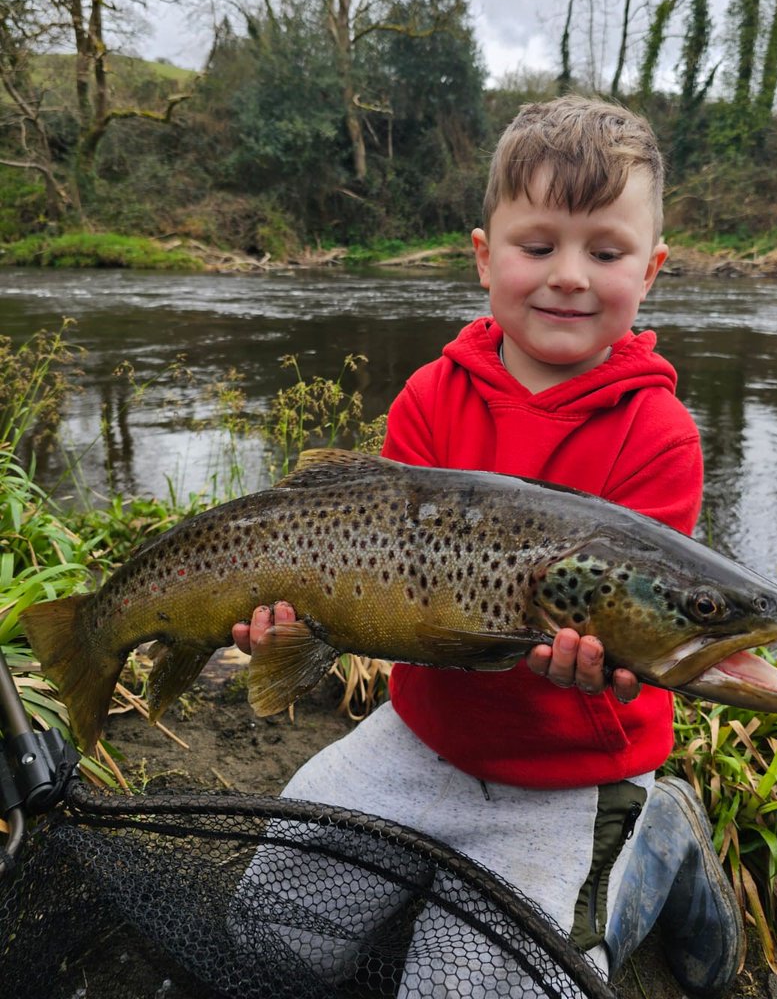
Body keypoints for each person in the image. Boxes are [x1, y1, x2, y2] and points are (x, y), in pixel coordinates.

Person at [233, 95, 744, 996]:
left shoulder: (660, 435)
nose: (569, 277)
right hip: (420, 731)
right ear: (484, 256)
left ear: (653, 270)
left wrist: (614, 657)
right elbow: (369, 571)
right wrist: (295, 626)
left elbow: (655, 625)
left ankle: (652, 840)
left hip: (568, 770)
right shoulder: (433, 395)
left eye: (606, 252)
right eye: (538, 246)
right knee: (268, 935)